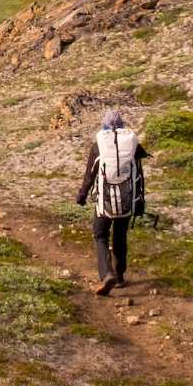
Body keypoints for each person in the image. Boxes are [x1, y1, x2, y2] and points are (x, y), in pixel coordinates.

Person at [74, 110, 149, 296]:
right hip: (127, 201)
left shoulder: (98, 147)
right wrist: (140, 202)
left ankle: (106, 274)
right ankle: (120, 276)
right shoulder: (133, 146)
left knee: (100, 235)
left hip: (104, 202)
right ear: (123, 126)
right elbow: (139, 175)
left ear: (104, 126)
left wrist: (82, 196)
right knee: (120, 236)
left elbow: (89, 176)